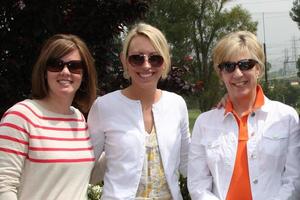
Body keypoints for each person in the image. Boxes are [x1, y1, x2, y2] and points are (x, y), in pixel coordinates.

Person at [188, 31, 300, 200]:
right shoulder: (204, 123)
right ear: (221, 74)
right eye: (228, 66)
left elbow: (293, 180)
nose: (237, 73)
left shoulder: (286, 117)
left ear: (259, 69)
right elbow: (198, 186)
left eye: (245, 64)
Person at [88, 22, 190, 199]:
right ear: (124, 60)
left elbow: (189, 163)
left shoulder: (177, 104)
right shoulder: (104, 107)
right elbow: (84, 167)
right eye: (137, 58)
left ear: (165, 61)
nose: (146, 65)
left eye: (155, 58)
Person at [0, 34, 98, 200]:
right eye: (56, 65)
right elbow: (4, 185)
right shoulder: (20, 116)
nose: (65, 72)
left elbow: (85, 176)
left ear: (84, 75)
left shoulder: (79, 119)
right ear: (44, 72)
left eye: (74, 66)